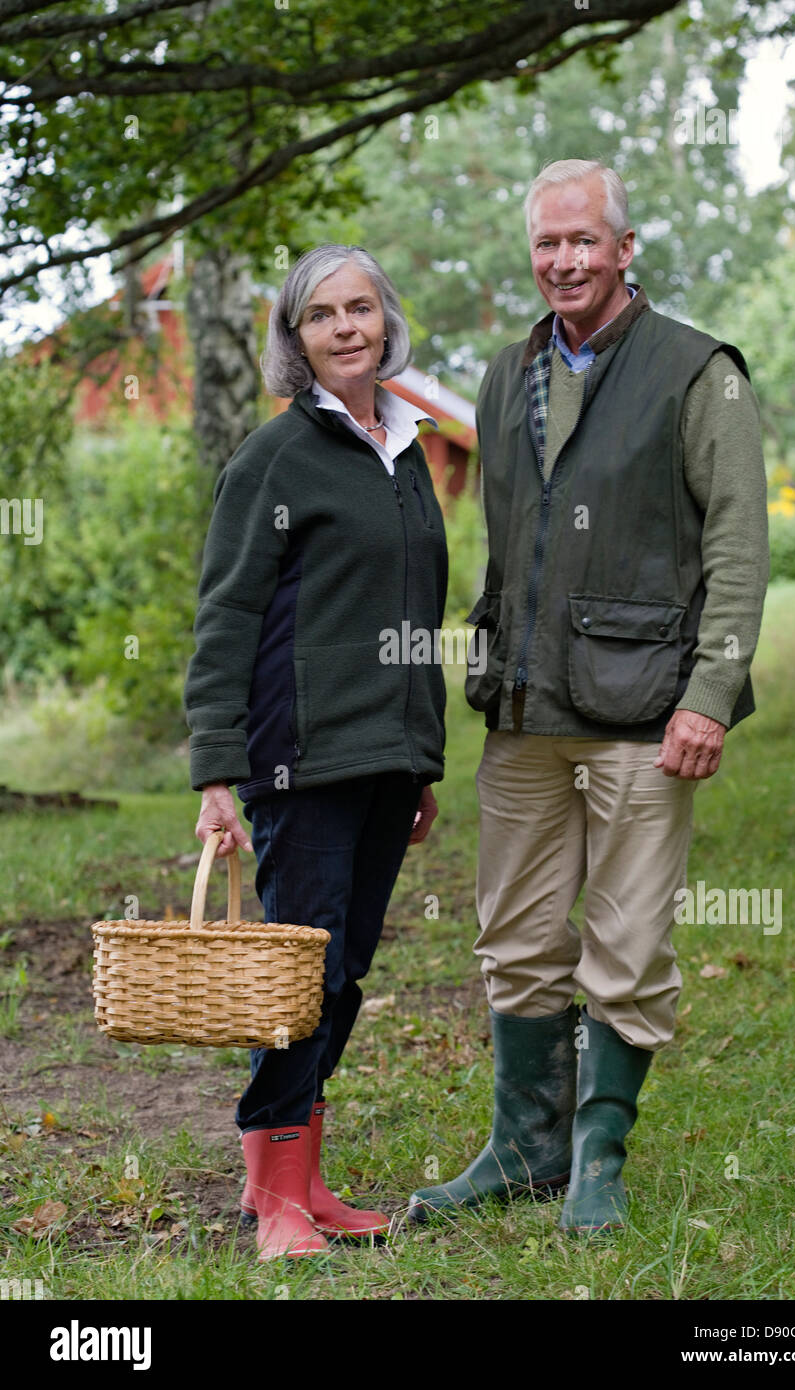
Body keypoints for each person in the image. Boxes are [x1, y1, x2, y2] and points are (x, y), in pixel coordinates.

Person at [408, 158, 769, 1235]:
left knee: (625, 942)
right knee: (513, 936)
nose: (563, 260)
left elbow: (739, 546)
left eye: (583, 241)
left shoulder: (698, 371)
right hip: (523, 711)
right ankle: (519, 1147)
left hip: (644, 707)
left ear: (622, 248)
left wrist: (709, 691)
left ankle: (595, 1160)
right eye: (546, 243)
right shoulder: (501, 372)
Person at [183, 244, 447, 1260]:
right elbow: (226, 619)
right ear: (295, 340)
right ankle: (279, 1199)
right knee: (301, 975)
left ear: (386, 320)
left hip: (387, 754)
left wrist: (419, 757)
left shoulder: (407, 445)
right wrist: (217, 773)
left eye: (361, 308)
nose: (346, 327)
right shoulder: (273, 458)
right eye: (321, 315)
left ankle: (287, 1181)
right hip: (300, 755)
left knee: (343, 973)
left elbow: (415, 609)